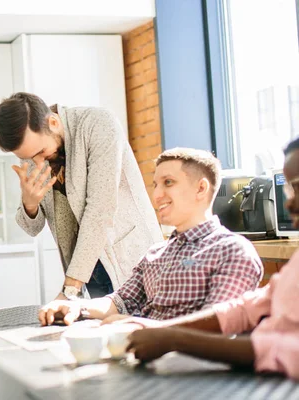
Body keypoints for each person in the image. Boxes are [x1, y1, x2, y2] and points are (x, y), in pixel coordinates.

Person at [116, 138, 299, 381]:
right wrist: (159, 331)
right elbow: (243, 310)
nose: (289, 202)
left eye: (296, 187)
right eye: (288, 189)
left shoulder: (232, 249)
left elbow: (284, 351)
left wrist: (173, 338)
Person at [39, 148, 263, 326]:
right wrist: (77, 307)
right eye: (155, 185)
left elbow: (216, 323)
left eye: (168, 182)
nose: (157, 195)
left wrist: (139, 326)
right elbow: (121, 302)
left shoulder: (233, 251)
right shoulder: (155, 253)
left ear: (201, 189)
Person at [0, 92, 162, 300]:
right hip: (86, 269)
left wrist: (69, 290)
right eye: (27, 158)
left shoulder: (98, 125)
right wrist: (30, 205)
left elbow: (100, 210)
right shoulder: (31, 151)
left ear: (53, 122)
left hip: (129, 257)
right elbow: (32, 228)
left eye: (41, 152)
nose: (36, 163)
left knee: (139, 328)